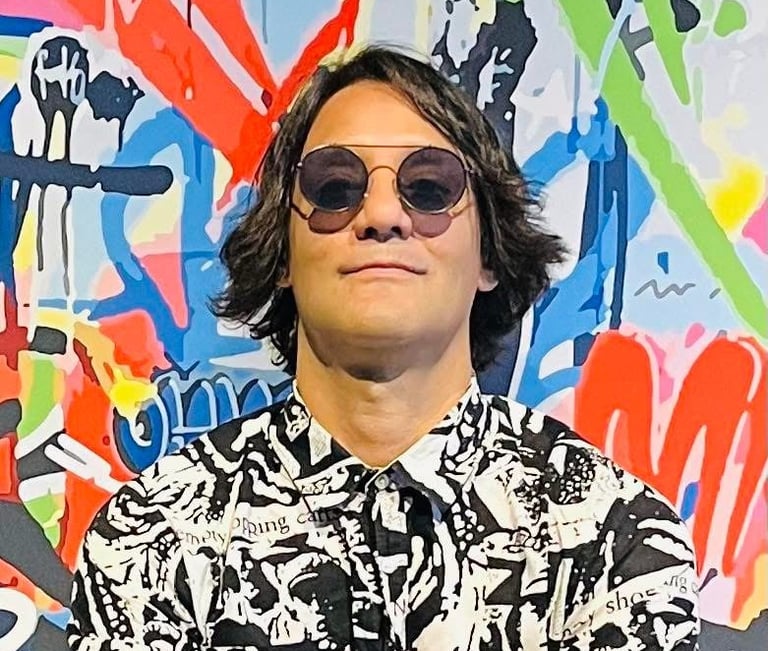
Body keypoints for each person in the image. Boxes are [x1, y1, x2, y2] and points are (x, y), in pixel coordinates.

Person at [67, 45, 700, 650]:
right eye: (334, 188)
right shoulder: (150, 539)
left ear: (488, 253)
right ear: (282, 253)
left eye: (428, 187)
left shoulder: (611, 538)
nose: (381, 216)